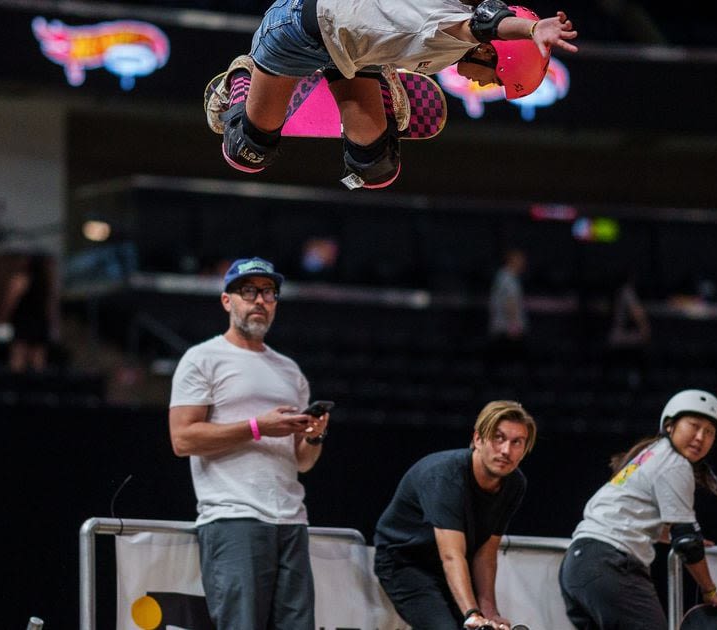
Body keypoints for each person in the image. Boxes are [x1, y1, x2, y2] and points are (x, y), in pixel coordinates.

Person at [205, 0, 578, 188]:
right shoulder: (455, 30)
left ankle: (382, 83)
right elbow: (486, 22)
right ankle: (243, 83)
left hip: (353, 54)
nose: (484, 86)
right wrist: (530, 30)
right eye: (495, 78)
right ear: (487, 51)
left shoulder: (448, 39)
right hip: (299, 33)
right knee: (247, 152)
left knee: (376, 169)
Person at [168, 256, 330, 630]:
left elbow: (302, 463)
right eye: (249, 291)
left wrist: (315, 434)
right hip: (234, 517)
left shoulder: (290, 370)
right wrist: (257, 427)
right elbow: (182, 438)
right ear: (227, 301)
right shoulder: (202, 359)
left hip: (291, 520)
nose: (260, 300)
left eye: (269, 293)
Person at [559, 389, 717, 629]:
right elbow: (688, 543)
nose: (701, 437)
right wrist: (710, 591)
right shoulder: (675, 463)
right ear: (670, 426)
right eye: (694, 425)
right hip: (611, 565)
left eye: (710, 432)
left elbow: (629, 515)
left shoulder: (648, 455)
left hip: (576, 567)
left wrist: (672, 536)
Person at [374, 400, 535, 630]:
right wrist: (472, 613)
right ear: (478, 439)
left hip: (452, 566)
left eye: (516, 442)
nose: (505, 450)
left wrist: (489, 613)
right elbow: (451, 556)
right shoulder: (445, 476)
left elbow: (486, 553)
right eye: (498, 438)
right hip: (405, 563)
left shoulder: (515, 483)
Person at [0, 253, 58, 373]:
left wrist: (2, 317)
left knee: (20, 356)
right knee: (36, 358)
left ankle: (22, 387)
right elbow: (50, 307)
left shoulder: (22, 279)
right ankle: (34, 387)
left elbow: (10, 301)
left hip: (26, 320)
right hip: (36, 321)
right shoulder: (46, 282)